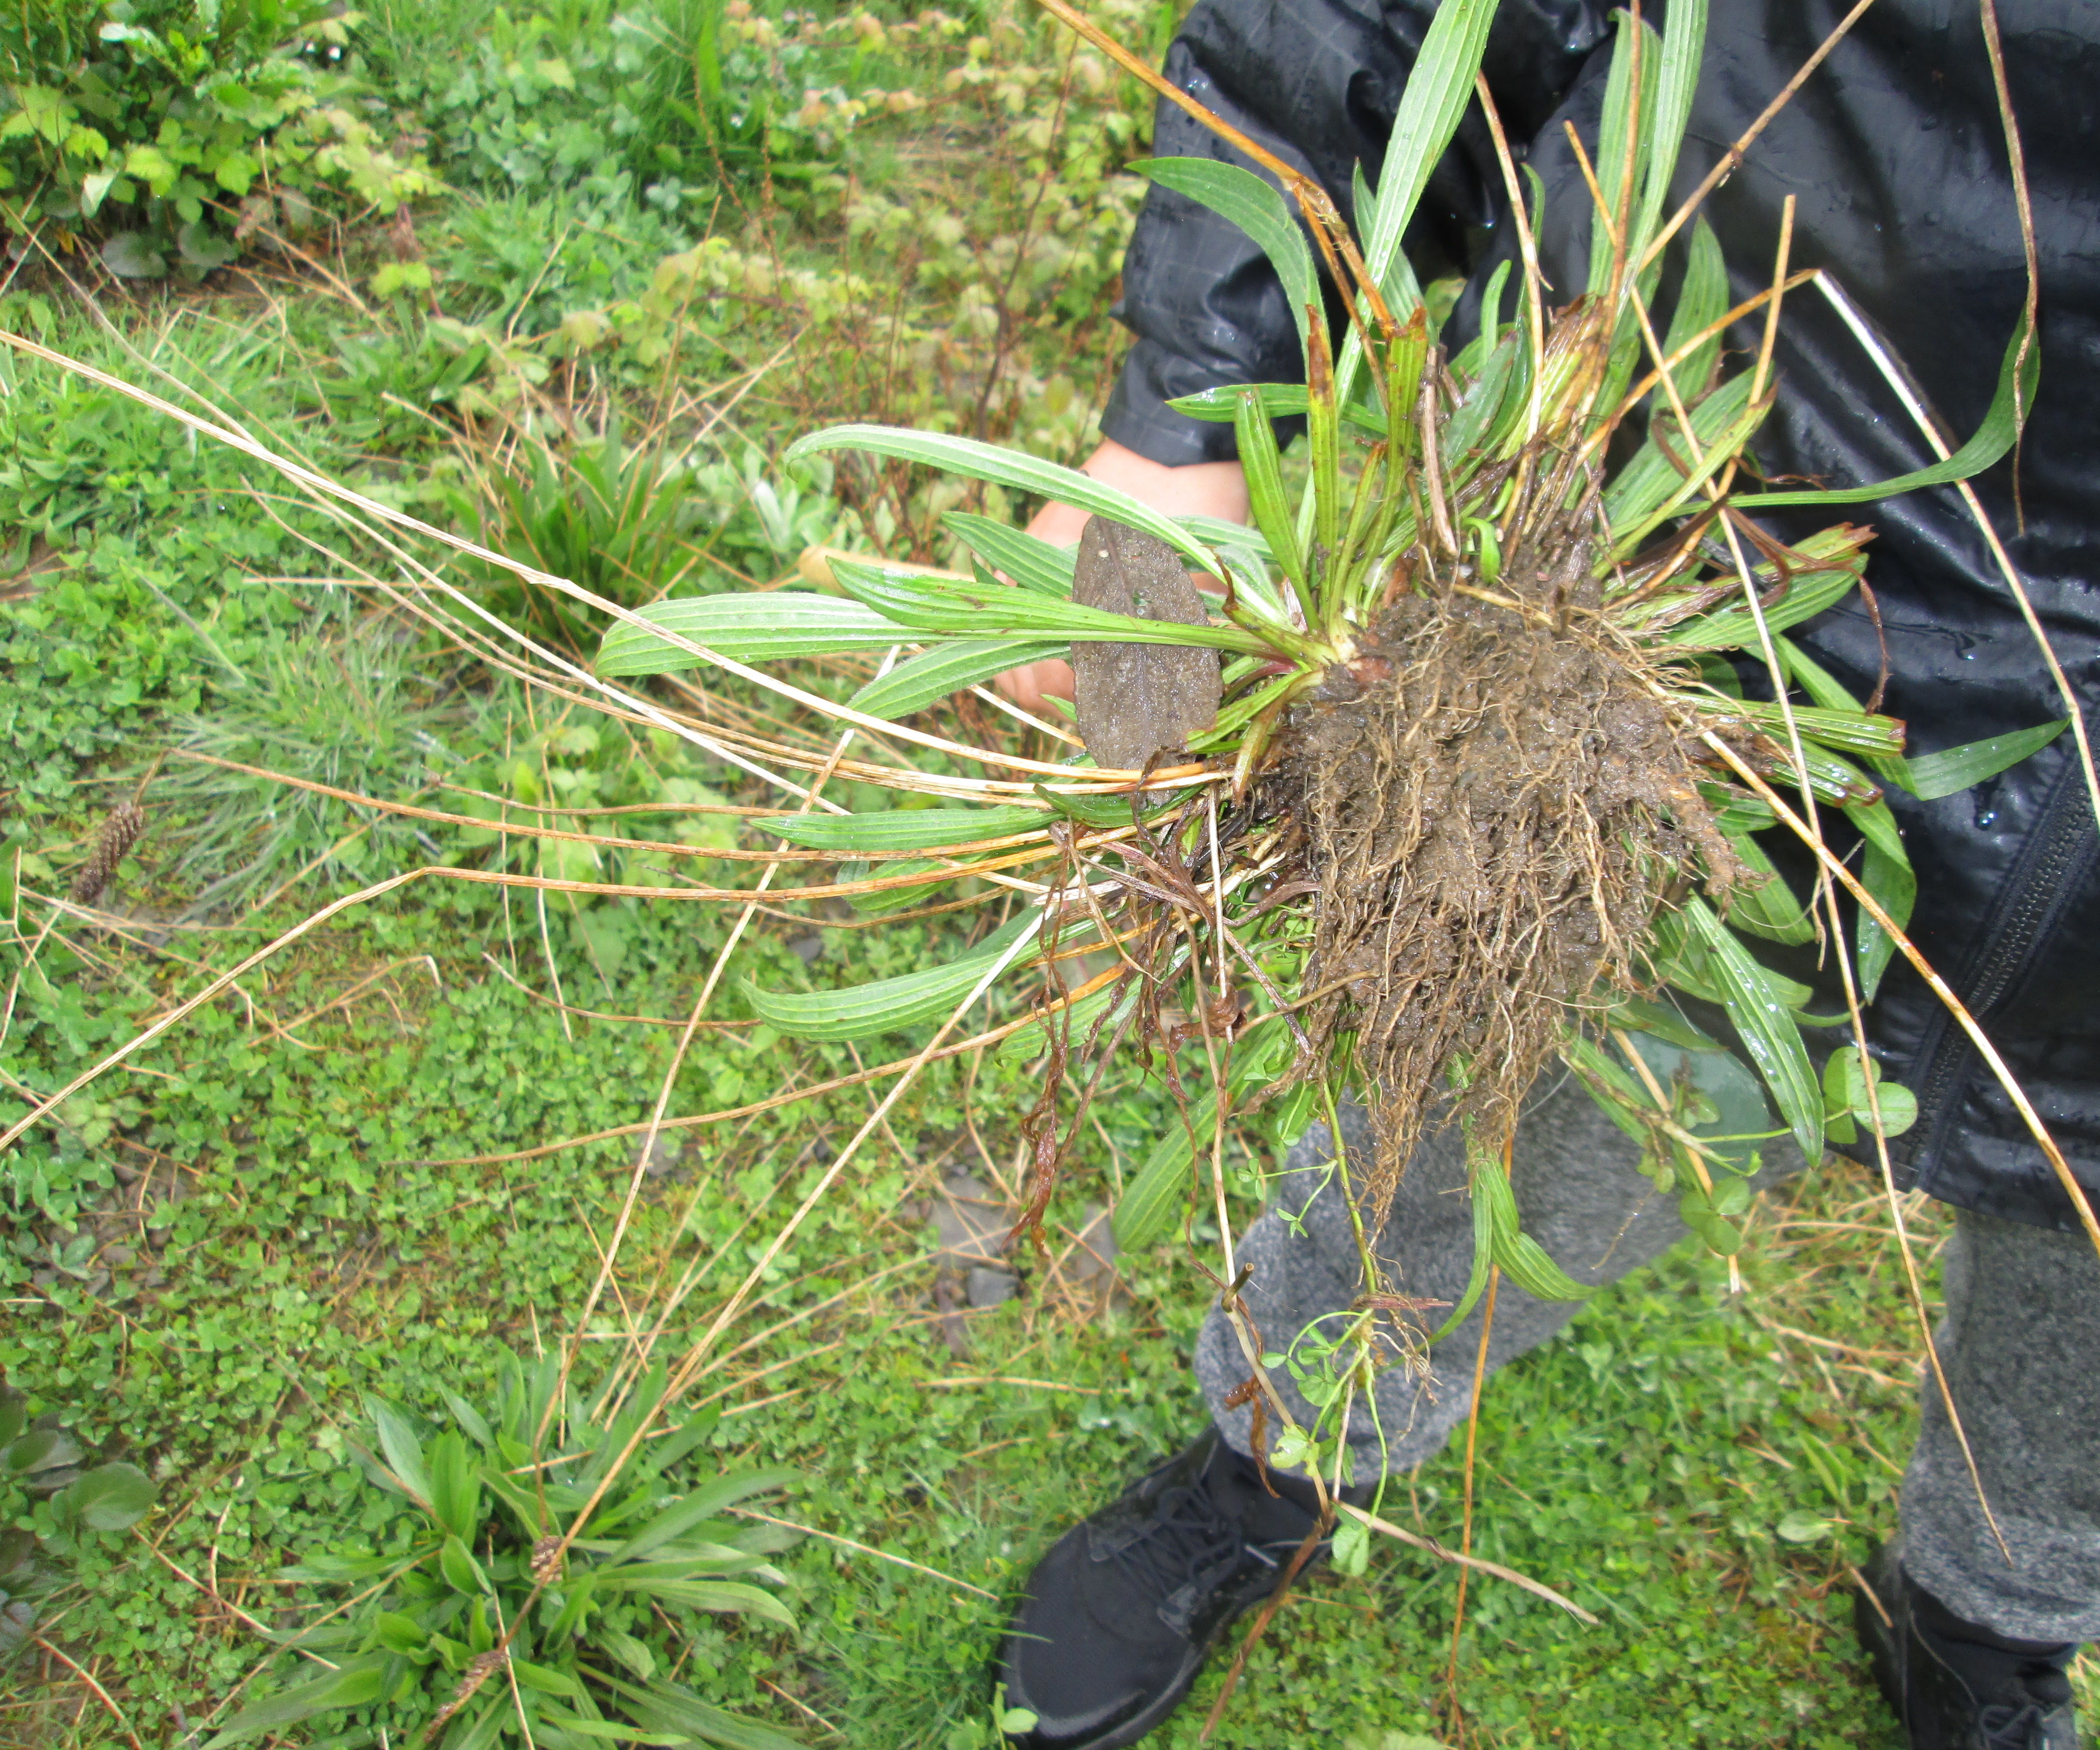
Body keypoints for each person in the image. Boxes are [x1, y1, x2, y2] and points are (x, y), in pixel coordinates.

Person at [988, 4, 2100, 1747]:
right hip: (1708, 567)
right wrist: (1192, 419)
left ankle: (1993, 1620)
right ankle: (1285, 1449)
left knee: (2084, 1273)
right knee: (1498, 1084)